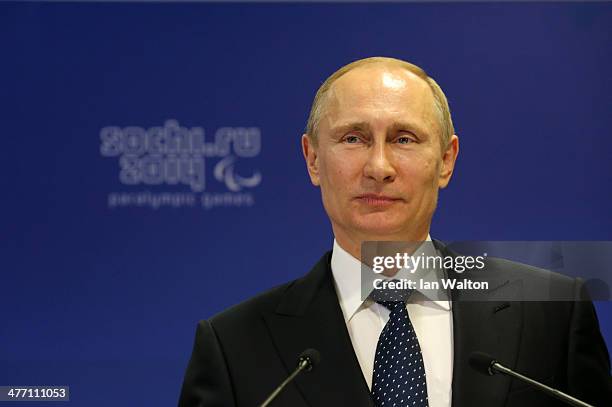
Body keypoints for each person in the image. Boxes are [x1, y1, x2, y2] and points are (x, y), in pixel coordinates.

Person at [178, 57, 611, 406]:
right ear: (312, 159)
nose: (379, 168)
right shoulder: (234, 348)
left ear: (446, 160)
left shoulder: (552, 312)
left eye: (404, 139)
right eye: (353, 138)